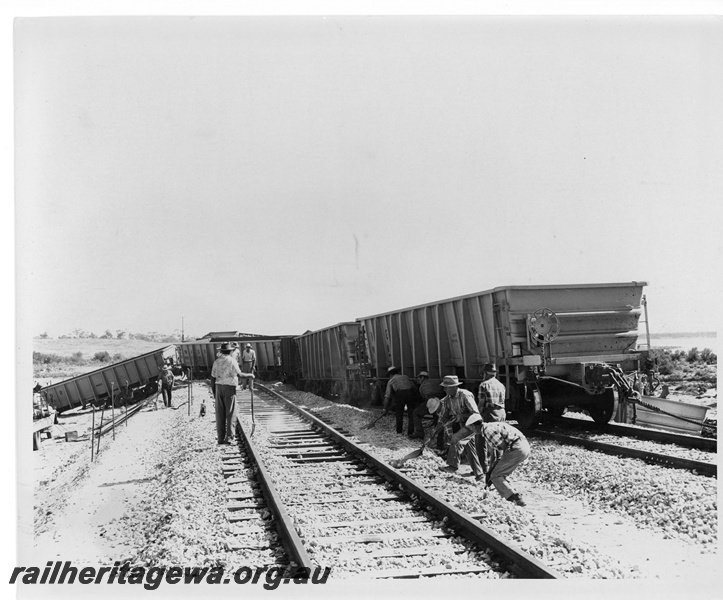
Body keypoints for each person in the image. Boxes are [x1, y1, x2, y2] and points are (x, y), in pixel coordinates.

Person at [465, 413, 530, 506]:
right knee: (499, 472)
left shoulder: (488, 431)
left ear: (474, 426)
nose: (472, 431)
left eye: (471, 428)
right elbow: (494, 455)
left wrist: (492, 473)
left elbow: (504, 448)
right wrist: (489, 471)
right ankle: (510, 492)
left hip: (516, 448)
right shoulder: (489, 429)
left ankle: (514, 498)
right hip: (522, 446)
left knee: (496, 475)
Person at [433, 375, 483, 479]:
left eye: (446, 387)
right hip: (463, 425)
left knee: (455, 438)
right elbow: (444, 416)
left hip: (473, 424)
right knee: (469, 448)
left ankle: (452, 466)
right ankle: (479, 474)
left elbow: (476, 414)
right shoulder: (447, 399)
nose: (444, 389)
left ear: (454, 387)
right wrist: (436, 430)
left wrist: (461, 416)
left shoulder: (465, 395)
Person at [211, 342, 255, 445]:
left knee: (220, 414)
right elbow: (240, 374)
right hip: (229, 388)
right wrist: (250, 375)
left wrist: (214, 392)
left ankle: (220, 438)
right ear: (230, 351)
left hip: (218, 388)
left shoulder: (216, 362)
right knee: (230, 412)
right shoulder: (232, 361)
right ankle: (229, 437)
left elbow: (212, 378)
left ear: (221, 351)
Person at [383, 366, 421, 436]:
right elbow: (413, 387)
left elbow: (387, 397)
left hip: (400, 394)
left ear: (390, 374)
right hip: (411, 393)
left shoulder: (391, 381)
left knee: (399, 413)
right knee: (411, 414)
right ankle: (410, 432)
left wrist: (385, 408)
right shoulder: (406, 377)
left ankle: (399, 432)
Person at [411, 371, 444, 441]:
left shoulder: (422, 387)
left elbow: (425, 399)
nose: (418, 380)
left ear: (422, 377)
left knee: (415, 414)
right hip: (441, 400)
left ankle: (420, 433)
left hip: (431, 400)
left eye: (418, 378)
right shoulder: (436, 381)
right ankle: (439, 437)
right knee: (438, 418)